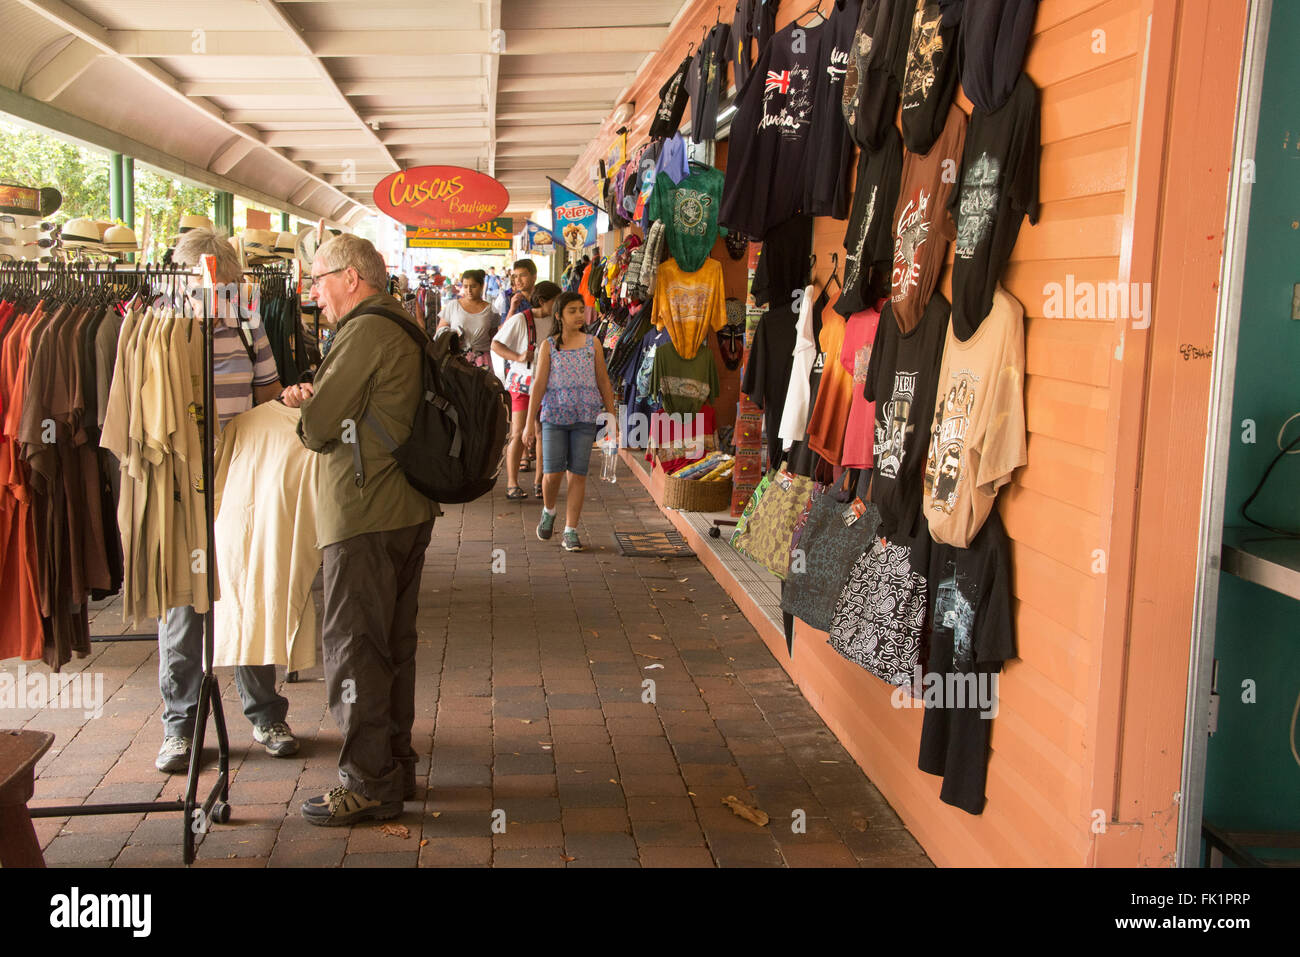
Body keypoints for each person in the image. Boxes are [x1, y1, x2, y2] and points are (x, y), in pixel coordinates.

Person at [280, 234, 440, 826]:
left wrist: (306, 408)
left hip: (363, 511)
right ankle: (395, 765)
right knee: (393, 645)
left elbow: (321, 426)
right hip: (406, 506)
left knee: (353, 647)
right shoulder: (401, 322)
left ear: (351, 277)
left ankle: (367, 781)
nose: (314, 294)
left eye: (318, 280)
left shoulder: (365, 330)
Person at [154, 228, 297, 773]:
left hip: (240, 470)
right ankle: (180, 726)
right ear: (185, 275)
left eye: (229, 281)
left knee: (249, 585)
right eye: (210, 281)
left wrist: (289, 400)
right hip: (183, 477)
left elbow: (265, 393)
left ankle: (265, 713)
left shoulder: (246, 316)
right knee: (186, 602)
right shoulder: (156, 320)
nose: (219, 291)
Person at [524, 291, 617, 552]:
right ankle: (549, 510)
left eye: (580, 310)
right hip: (554, 415)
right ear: (559, 316)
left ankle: (571, 530)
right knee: (552, 474)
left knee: (578, 474)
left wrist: (611, 417)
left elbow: (603, 381)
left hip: (585, 417)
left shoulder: (593, 343)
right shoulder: (549, 346)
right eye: (572, 311)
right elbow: (539, 385)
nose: (579, 315)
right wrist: (529, 423)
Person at [492, 281, 561, 500]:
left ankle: (539, 481)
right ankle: (512, 483)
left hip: (549, 386)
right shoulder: (520, 320)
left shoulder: (556, 321)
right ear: (543, 301)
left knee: (543, 433)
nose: (558, 305)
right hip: (522, 383)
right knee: (517, 433)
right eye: (555, 301)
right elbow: (496, 345)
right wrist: (519, 357)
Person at [437, 268, 499, 369]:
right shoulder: (453, 306)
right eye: (465, 286)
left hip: (483, 361)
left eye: (473, 286)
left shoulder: (491, 309)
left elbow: (494, 337)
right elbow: (440, 330)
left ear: (481, 286)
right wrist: (453, 336)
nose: (469, 290)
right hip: (457, 359)